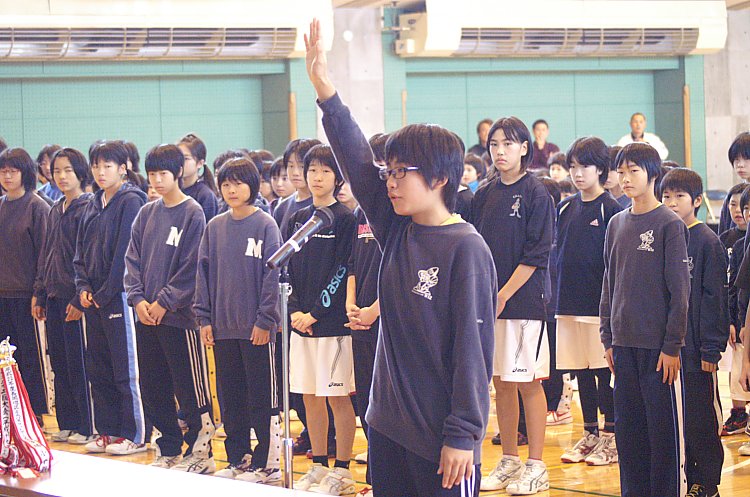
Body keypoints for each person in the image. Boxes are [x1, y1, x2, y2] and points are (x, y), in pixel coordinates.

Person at [306, 19, 496, 497]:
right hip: (387, 427)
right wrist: (325, 91)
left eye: (400, 172)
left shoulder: (467, 248)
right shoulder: (396, 228)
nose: (389, 182)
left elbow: (473, 351)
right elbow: (355, 159)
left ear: (439, 178)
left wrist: (463, 434)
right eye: (387, 172)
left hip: (441, 438)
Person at [600, 142, 689, 497]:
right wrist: (607, 337)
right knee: (630, 436)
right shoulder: (616, 223)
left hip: (658, 350)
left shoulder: (669, 224)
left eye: (633, 171)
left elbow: (680, 292)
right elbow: (609, 283)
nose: (625, 179)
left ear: (652, 174)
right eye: (621, 172)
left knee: (662, 438)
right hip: (623, 346)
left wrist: (672, 346)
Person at [470, 116, 553, 495]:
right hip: (490, 305)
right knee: (501, 383)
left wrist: (503, 294)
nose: (500, 151)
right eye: (494, 145)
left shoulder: (537, 193)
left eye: (508, 144)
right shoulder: (483, 195)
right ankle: (509, 459)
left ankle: (536, 465)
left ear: (524, 148)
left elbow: (537, 253)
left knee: (526, 382)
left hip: (524, 304)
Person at [123, 144, 216, 473]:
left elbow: (192, 266)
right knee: (153, 386)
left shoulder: (193, 212)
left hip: (179, 319)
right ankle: (169, 447)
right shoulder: (146, 213)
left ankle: (201, 451)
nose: (157, 180)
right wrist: (138, 299)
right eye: (152, 174)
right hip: (146, 318)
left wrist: (164, 301)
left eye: (163, 173)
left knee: (189, 387)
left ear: (178, 172)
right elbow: (132, 260)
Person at [195, 157, 282, 484]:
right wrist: (204, 318)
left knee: (261, 397)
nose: (231, 190)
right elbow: (202, 275)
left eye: (238, 183)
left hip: (256, 329)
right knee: (230, 397)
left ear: (252, 185)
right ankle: (238, 457)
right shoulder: (215, 227)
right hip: (222, 328)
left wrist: (265, 320)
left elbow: (273, 277)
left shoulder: (265, 225)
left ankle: (268, 463)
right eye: (226, 184)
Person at [286, 144, 357, 494]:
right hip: (300, 325)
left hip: (331, 326)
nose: (316, 177)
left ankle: (342, 469)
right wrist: (295, 311)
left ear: (337, 178)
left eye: (325, 171)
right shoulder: (298, 218)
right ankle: (318, 464)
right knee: (310, 397)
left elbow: (343, 271)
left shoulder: (345, 219)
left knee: (336, 397)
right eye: (312, 169)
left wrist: (316, 312)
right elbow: (287, 267)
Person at [74, 140, 148, 455]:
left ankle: (134, 434)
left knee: (125, 370)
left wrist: (105, 292)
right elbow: (80, 251)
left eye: (108, 166)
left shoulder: (131, 201)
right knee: (99, 368)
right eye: (96, 166)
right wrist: (82, 287)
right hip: (93, 300)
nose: (101, 172)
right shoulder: (92, 203)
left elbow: (124, 256)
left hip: (118, 297)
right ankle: (107, 431)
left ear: (123, 168)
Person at [555, 137, 623, 466]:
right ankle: (591, 432)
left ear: (601, 169)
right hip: (568, 305)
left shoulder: (611, 209)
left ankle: (612, 436)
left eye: (585, 166)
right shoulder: (565, 208)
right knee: (581, 370)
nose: (578, 173)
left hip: (598, 308)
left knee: (602, 370)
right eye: (573, 166)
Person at [661, 167, 727, 497]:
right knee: (679, 420)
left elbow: (715, 300)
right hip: (669, 349)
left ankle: (708, 482)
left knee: (702, 419)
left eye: (679, 196)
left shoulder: (707, 242)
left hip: (698, 350)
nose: (671, 203)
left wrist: (711, 350)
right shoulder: (665, 235)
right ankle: (686, 477)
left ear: (697, 201)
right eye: (666, 196)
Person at [33, 148, 94, 444]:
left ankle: (86, 425)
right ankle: (67, 422)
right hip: (54, 297)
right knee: (60, 364)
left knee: (80, 364)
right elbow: (47, 255)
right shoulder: (55, 209)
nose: (61, 176)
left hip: (76, 300)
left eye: (68, 170)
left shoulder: (88, 208)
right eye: (57, 171)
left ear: (80, 172)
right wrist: (40, 293)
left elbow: (87, 259)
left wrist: (78, 300)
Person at [344, 133, 387, 486]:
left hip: (384, 321)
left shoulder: (399, 212)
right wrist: (351, 303)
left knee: (385, 402)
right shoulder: (362, 211)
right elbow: (353, 264)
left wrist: (374, 309)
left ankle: (382, 479)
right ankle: (375, 474)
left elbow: (403, 272)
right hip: (360, 319)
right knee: (365, 401)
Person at [0, 147, 51, 418]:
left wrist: (38, 292)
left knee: (31, 358)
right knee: (5, 359)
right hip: (2, 295)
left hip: (27, 296)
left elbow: (45, 254)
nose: (7, 176)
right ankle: (9, 413)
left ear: (25, 173)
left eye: (13, 171)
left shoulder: (37, 207)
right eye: (3, 171)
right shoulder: (1, 205)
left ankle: (35, 413)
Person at [178, 133, 219, 222]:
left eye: (186, 159)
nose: (180, 162)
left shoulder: (205, 195)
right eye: (178, 158)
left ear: (200, 163)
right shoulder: (173, 191)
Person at [719, 132, 750, 235]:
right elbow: (724, 234)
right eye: (736, 159)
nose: (740, 165)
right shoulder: (734, 195)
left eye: (747, 158)